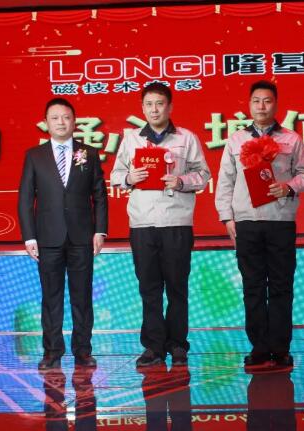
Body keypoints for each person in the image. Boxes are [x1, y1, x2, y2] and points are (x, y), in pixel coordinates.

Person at [110, 83, 211, 367]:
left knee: (177, 287)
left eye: (160, 103)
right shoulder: (131, 139)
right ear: (142, 108)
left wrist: (181, 181)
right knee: (149, 288)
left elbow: (203, 174)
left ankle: (177, 344)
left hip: (176, 221)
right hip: (142, 223)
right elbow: (116, 175)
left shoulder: (186, 138)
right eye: (149, 104)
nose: (154, 109)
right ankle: (153, 347)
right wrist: (129, 178)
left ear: (170, 107)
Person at [215, 80, 304, 370]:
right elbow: (225, 180)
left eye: (267, 101)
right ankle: (259, 347)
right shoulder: (236, 140)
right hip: (247, 221)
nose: (261, 106)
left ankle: (280, 348)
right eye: (256, 101)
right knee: (253, 286)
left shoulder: (291, 139)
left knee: (282, 285)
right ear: (249, 105)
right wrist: (227, 217)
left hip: (280, 220)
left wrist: (289, 186)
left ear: (276, 104)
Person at [18, 98, 108, 370]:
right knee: (51, 298)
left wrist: (100, 230)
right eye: (55, 118)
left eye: (66, 117)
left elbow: (99, 195)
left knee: (82, 297)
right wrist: (29, 236)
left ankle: (83, 351)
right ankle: (52, 351)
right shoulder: (35, 155)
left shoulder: (88, 153)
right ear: (46, 123)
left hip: (82, 237)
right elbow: (26, 199)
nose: (61, 122)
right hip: (48, 238)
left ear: (74, 121)